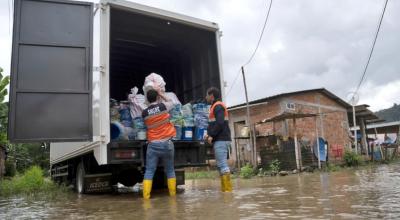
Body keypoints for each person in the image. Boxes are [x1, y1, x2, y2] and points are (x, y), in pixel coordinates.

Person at [142, 89, 176, 199]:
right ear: (157, 98)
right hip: (167, 144)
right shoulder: (163, 106)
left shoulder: (144, 113)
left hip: (153, 145)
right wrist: (161, 94)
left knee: (149, 171)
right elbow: (172, 102)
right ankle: (173, 196)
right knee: (170, 170)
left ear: (147, 99)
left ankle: (146, 198)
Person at [204, 87, 232, 192]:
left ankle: (228, 192)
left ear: (211, 96)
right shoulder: (214, 106)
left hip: (221, 139)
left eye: (207, 95)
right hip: (220, 139)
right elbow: (215, 123)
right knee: (220, 166)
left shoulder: (218, 106)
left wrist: (211, 135)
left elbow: (220, 123)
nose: (205, 97)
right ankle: (225, 192)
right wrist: (208, 134)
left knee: (223, 165)